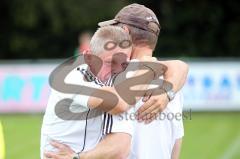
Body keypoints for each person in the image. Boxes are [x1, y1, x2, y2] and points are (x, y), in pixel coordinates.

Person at [44, 3, 188, 159]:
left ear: (125, 32)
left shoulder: (117, 78)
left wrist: (77, 157)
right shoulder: (171, 80)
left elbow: (119, 146)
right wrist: (169, 90)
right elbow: (175, 145)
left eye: (116, 28)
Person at [41, 25, 161, 159]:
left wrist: (167, 94)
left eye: (124, 64)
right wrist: (148, 71)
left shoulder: (113, 79)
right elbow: (119, 103)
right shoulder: (73, 78)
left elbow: (179, 67)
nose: (117, 71)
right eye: (110, 62)